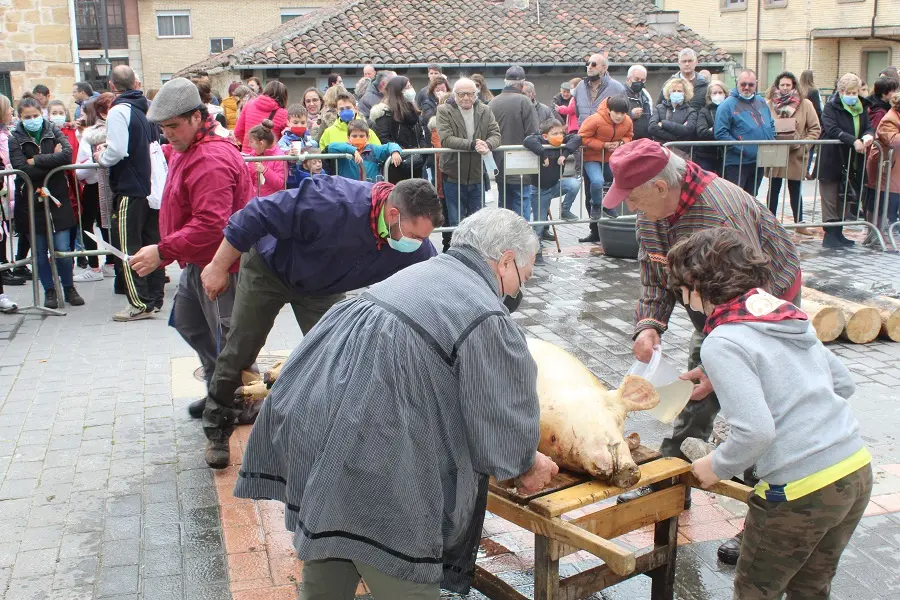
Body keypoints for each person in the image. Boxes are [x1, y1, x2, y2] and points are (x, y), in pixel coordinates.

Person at [232, 206, 557, 598]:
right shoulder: (484, 314)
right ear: (505, 261)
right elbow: (499, 417)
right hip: (376, 464)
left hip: (318, 432)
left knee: (329, 565)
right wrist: (527, 460)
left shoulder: (422, 272)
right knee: (401, 571)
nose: (518, 288)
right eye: (524, 275)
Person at [603, 138, 801, 566]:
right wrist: (649, 325)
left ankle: (761, 515)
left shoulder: (719, 211)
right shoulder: (652, 214)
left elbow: (751, 294)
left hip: (759, 312)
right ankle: (671, 478)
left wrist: (726, 363)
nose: (631, 207)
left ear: (659, 187)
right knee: (689, 399)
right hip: (712, 312)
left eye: (634, 197)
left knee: (760, 415)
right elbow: (654, 275)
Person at [669, 228, 871, 600]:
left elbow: (755, 433)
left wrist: (714, 467)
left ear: (697, 286)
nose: (682, 298)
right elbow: (841, 383)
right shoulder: (782, 316)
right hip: (854, 469)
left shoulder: (722, 341)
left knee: (755, 592)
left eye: (681, 288)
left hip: (799, 491)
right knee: (810, 587)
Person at [194, 177, 443, 468]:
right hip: (270, 269)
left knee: (341, 358)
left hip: (322, 288)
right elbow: (254, 213)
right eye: (415, 235)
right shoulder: (332, 201)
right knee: (242, 347)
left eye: (425, 238)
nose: (419, 244)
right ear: (393, 214)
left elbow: (435, 284)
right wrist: (218, 266)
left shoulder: (414, 247)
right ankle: (216, 425)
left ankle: (335, 434)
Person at [128, 78, 254, 398]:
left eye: (172, 126)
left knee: (230, 341)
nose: (166, 133)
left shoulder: (210, 157)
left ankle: (235, 406)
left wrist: (163, 249)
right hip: (200, 259)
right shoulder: (190, 146)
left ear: (196, 117)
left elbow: (212, 224)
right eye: (162, 127)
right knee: (189, 322)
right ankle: (219, 388)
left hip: (225, 264)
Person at [94, 65, 163, 321]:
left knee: (129, 247)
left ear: (113, 86)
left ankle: (139, 303)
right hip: (152, 186)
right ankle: (155, 298)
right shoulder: (147, 106)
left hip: (131, 187)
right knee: (151, 243)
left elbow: (118, 150)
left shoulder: (118, 111)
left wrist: (101, 156)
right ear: (136, 82)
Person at [8, 95, 84, 309]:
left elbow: (67, 156)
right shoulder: (15, 138)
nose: (32, 119)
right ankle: (49, 290)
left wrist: (38, 160)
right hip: (32, 200)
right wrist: (51, 159)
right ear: (20, 118)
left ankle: (68, 287)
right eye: (27, 116)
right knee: (40, 250)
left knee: (62, 248)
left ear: (41, 113)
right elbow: (22, 168)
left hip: (57, 197)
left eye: (35, 115)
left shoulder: (52, 130)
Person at [573, 54, 627, 242]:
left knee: (609, 187)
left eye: (594, 64)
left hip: (611, 151)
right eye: (587, 63)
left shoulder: (617, 88)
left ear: (604, 68)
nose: (589, 67)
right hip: (588, 148)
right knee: (590, 189)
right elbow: (579, 114)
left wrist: (619, 142)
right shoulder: (580, 86)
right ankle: (594, 231)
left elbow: (623, 114)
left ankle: (612, 231)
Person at [818, 73, 874, 249]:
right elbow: (832, 129)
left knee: (845, 196)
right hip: (833, 158)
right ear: (840, 91)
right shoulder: (830, 107)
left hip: (853, 160)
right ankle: (830, 235)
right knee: (830, 197)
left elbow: (868, 127)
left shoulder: (862, 107)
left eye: (854, 92)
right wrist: (853, 140)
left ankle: (839, 233)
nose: (851, 95)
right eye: (847, 92)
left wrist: (867, 136)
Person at [436, 78, 501, 230]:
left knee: (478, 222)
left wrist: (488, 144)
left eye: (470, 94)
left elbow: (495, 134)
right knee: (456, 222)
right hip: (453, 174)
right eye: (461, 94)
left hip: (477, 174)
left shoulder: (485, 110)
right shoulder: (444, 110)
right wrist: (473, 145)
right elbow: (446, 139)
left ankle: (476, 253)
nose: (466, 98)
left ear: (476, 94)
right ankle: (457, 253)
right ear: (454, 95)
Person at [764, 71, 821, 235]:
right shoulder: (768, 104)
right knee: (773, 188)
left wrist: (804, 145)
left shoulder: (805, 104)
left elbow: (815, 128)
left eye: (788, 85)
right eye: (782, 85)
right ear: (777, 86)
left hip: (795, 153)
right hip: (775, 151)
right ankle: (769, 223)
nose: (785, 88)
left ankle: (799, 223)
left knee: (795, 188)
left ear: (794, 85)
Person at [75, 93, 117, 283]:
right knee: (103, 224)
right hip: (104, 185)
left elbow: (81, 169)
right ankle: (107, 262)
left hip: (98, 185)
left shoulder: (91, 135)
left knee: (94, 224)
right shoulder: (93, 133)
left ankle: (97, 266)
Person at [715, 69, 775, 197]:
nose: (746, 87)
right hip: (737, 163)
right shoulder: (727, 105)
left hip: (758, 161)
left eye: (751, 84)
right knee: (736, 199)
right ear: (737, 83)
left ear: (756, 84)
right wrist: (742, 148)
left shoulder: (761, 101)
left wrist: (771, 139)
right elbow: (720, 133)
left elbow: (770, 123)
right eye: (743, 84)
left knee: (752, 198)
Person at [489, 65, 540, 218]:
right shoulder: (525, 101)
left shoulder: (493, 102)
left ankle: (505, 238)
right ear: (522, 84)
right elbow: (533, 133)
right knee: (522, 200)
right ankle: (522, 239)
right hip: (521, 161)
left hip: (499, 160)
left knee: (504, 203)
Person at [523, 118, 582, 240]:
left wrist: (564, 154)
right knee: (539, 225)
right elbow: (528, 140)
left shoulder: (562, 141)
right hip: (539, 190)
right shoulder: (539, 139)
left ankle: (565, 210)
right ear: (545, 136)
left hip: (555, 185)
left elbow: (577, 138)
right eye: (555, 134)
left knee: (574, 184)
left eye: (561, 133)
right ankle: (536, 247)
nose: (559, 136)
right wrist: (543, 155)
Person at [578, 95, 633, 220]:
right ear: (609, 110)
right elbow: (582, 137)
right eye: (616, 112)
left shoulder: (628, 121)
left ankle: (608, 205)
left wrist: (620, 143)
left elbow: (629, 136)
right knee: (597, 181)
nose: (619, 116)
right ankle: (596, 205)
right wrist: (603, 145)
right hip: (591, 157)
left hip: (612, 158)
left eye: (623, 113)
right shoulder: (595, 120)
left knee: (616, 181)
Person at [371, 76, 427, 183]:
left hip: (416, 165)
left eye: (410, 86)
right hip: (395, 167)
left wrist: (421, 153)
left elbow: (421, 136)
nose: (411, 90)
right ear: (398, 91)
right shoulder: (385, 114)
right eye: (407, 87)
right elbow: (383, 138)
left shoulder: (414, 112)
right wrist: (402, 153)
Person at [863, 91, 900, 245]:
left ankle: (881, 232)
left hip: (894, 170)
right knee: (879, 202)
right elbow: (894, 141)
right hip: (885, 169)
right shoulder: (890, 119)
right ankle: (875, 233)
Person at [0, 94, 26, 292]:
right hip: (4, 189)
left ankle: (7, 265)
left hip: (7, 190)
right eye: (9, 108)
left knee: (4, 231)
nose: (12, 112)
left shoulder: (7, 133)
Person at [326, 119, 401, 181]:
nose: (358, 138)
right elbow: (331, 147)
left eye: (362, 136)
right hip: (349, 193)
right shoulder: (344, 150)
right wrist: (353, 150)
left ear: (368, 137)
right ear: (348, 138)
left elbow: (391, 145)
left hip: (369, 192)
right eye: (354, 136)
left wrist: (395, 152)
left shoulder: (374, 150)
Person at [234, 80, 288, 150]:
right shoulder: (283, 113)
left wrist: (250, 144)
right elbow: (285, 140)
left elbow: (238, 132)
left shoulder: (249, 104)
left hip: (248, 155)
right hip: (269, 157)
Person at [277, 105, 318, 188]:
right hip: (292, 178)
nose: (299, 125)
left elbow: (315, 145)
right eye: (295, 122)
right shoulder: (284, 139)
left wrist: (309, 147)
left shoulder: (308, 138)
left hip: (307, 175)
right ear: (288, 122)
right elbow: (280, 149)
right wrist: (289, 152)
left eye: (303, 122)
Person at [243, 120, 286, 197]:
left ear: (261, 143)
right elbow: (249, 179)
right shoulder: (254, 155)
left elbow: (280, 184)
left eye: (251, 142)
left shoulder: (279, 157)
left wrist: (265, 171)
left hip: (273, 200)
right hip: (256, 199)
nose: (249, 145)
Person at [649, 78, 698, 144]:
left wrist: (664, 124)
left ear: (685, 93)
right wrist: (674, 138)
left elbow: (688, 130)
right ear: (669, 92)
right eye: (673, 91)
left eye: (679, 91)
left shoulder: (691, 112)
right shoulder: (659, 108)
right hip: (661, 149)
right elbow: (652, 128)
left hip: (681, 151)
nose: (676, 93)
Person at [694, 81, 728, 174]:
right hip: (707, 155)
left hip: (725, 156)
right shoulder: (704, 111)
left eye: (720, 92)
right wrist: (721, 133)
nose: (718, 95)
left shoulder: (730, 110)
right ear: (710, 96)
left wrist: (712, 130)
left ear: (725, 94)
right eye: (714, 93)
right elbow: (701, 131)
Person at [624, 65, 653, 140]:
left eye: (642, 80)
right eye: (636, 79)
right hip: (627, 140)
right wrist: (631, 115)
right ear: (628, 79)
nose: (639, 83)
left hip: (645, 140)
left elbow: (651, 113)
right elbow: (614, 117)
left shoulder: (646, 94)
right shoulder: (621, 94)